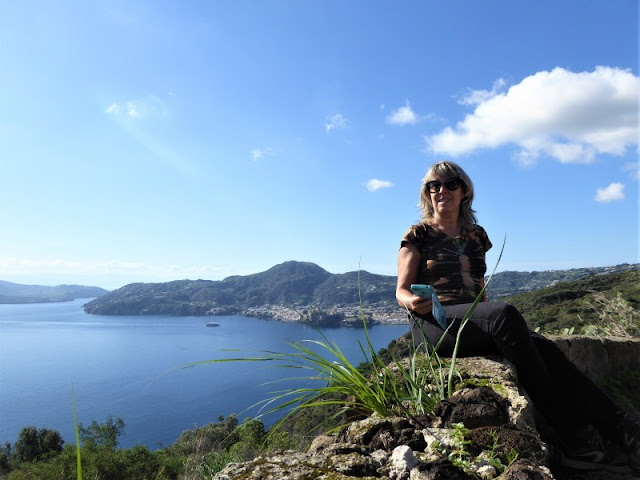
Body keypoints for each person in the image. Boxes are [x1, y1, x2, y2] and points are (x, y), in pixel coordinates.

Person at [395, 160, 639, 473]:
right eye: (433, 186)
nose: (441, 190)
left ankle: (621, 429)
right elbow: (400, 291)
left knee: (543, 347)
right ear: (427, 193)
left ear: (464, 190)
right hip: (433, 324)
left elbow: (479, 291)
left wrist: (493, 321)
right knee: (505, 314)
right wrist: (413, 303)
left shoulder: (476, 236)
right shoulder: (418, 234)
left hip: (470, 320)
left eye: (449, 184)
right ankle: (571, 435)